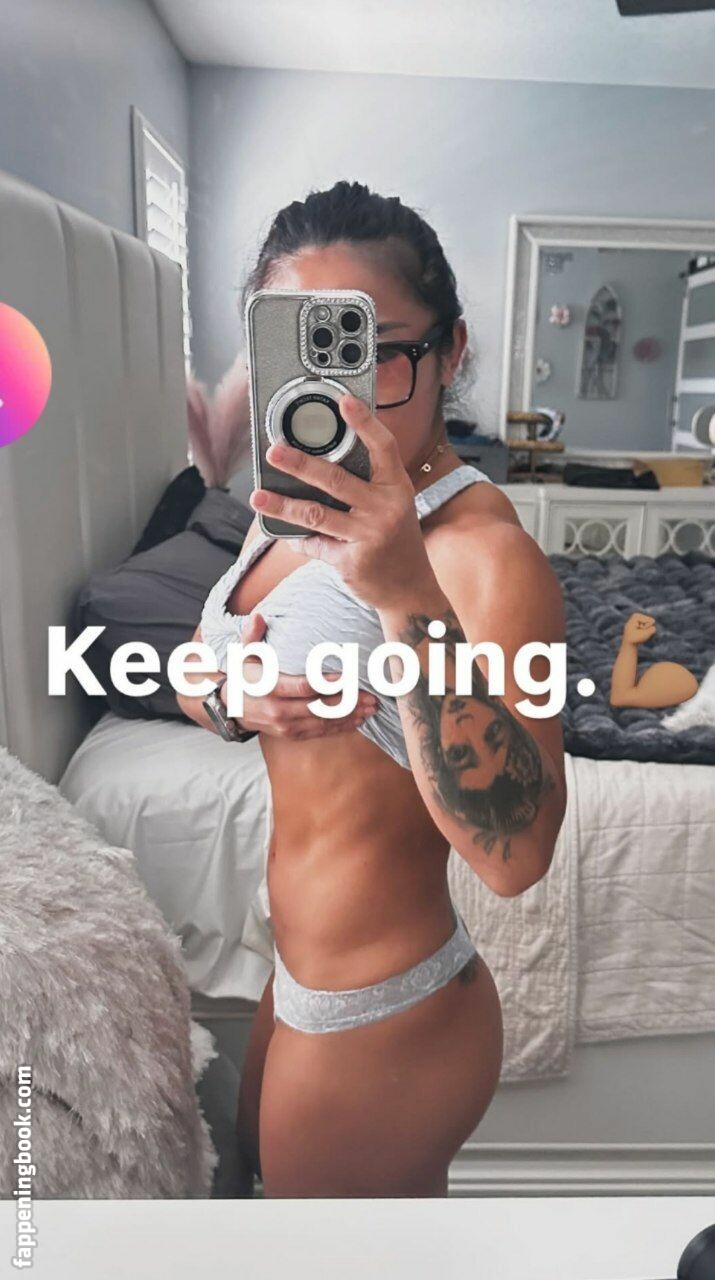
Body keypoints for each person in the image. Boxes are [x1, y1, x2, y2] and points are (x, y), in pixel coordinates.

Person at [178, 180, 566, 1197]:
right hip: (296, 971)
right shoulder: (290, 501)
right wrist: (229, 698)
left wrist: (402, 590)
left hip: (390, 1008)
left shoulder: (482, 552)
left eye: (375, 353)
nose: (340, 397)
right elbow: (195, 666)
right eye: (305, 353)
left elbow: (518, 855)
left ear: (451, 350)